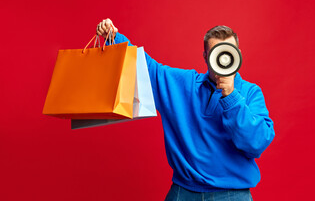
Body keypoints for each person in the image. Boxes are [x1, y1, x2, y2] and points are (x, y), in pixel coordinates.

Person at [96, 18, 275, 201]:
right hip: (184, 192)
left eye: (227, 53)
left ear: (237, 55)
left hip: (232, 194)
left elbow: (256, 144)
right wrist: (114, 37)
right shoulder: (184, 84)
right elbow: (146, 68)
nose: (222, 60)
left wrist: (231, 96)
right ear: (205, 57)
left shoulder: (251, 92)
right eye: (215, 54)